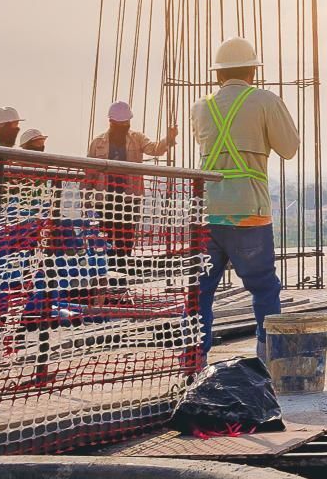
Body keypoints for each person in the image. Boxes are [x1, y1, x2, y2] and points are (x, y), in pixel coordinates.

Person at [193, 35, 298, 360]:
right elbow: (289, 148)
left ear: (218, 74)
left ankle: (193, 362)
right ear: (253, 71)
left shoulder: (201, 107)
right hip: (249, 212)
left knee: (200, 293)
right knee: (264, 288)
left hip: (207, 213)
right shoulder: (265, 101)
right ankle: (268, 363)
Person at [87, 99, 178, 164]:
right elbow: (89, 171)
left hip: (131, 186)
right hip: (104, 186)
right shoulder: (96, 143)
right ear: (111, 122)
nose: (124, 126)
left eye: (126, 123)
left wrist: (169, 138)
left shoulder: (138, 139)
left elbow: (155, 150)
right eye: (120, 124)